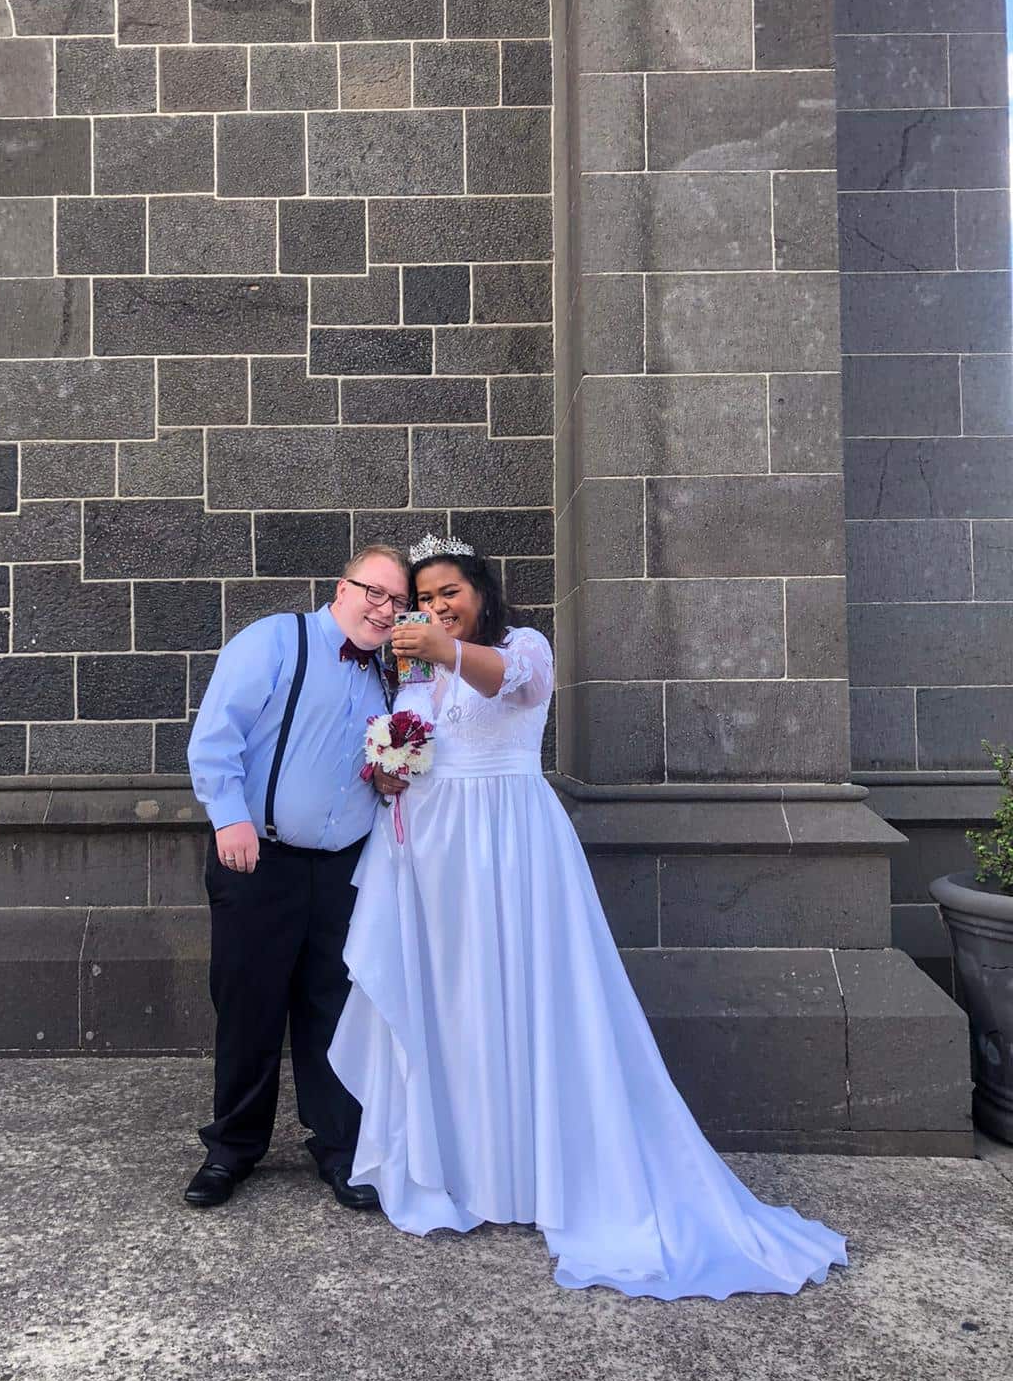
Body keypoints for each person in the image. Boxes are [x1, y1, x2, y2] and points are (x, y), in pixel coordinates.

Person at [329, 535, 849, 1297]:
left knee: (534, 1002)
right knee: (459, 1008)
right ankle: (469, 1171)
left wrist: (444, 646)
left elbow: (514, 687)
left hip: (511, 851)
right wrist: (390, 769)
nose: (437, 607)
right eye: (425, 598)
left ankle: (549, 1175)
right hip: (434, 865)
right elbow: (420, 749)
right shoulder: (413, 675)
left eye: (450, 592)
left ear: (480, 589)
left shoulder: (520, 647)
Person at [183, 544, 411, 1212]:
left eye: (398, 602)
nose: (384, 609)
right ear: (341, 588)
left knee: (334, 1013)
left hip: (345, 868)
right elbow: (215, 735)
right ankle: (230, 1151)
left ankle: (340, 1150)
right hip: (261, 860)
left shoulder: (390, 678)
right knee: (248, 1007)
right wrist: (228, 818)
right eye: (375, 592)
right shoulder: (275, 640)